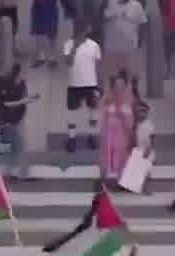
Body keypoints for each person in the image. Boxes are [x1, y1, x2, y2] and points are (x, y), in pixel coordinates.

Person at [63, 23, 102, 153]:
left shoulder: (94, 46)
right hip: (74, 84)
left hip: (91, 84)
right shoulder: (68, 44)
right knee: (72, 113)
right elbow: (68, 62)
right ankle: (71, 138)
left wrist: (100, 85)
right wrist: (75, 46)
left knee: (93, 113)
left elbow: (98, 66)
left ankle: (92, 136)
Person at [0, 63, 39, 180]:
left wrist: (31, 98)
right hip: (8, 120)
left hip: (19, 118)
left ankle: (7, 173)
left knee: (16, 148)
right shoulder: (7, 83)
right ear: (18, 72)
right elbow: (6, 104)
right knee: (20, 146)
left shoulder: (22, 84)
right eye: (24, 71)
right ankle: (23, 174)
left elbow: (24, 97)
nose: (26, 74)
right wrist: (23, 101)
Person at [100, 72, 135, 185]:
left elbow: (130, 122)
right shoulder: (108, 100)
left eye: (121, 85)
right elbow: (104, 117)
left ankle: (121, 181)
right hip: (109, 133)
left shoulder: (129, 101)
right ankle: (107, 179)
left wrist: (120, 112)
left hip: (122, 133)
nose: (118, 88)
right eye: (116, 85)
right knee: (108, 154)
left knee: (121, 154)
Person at [102, 0, 147, 81]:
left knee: (131, 74)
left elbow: (143, 23)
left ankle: (133, 91)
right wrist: (110, 17)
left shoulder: (136, 5)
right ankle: (113, 92)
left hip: (130, 47)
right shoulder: (109, 3)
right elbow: (101, 18)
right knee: (113, 75)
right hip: (112, 47)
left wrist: (141, 39)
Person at [30, 0, 59, 67]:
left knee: (51, 33)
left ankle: (52, 58)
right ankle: (41, 57)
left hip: (50, 8)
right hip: (38, 8)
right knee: (39, 32)